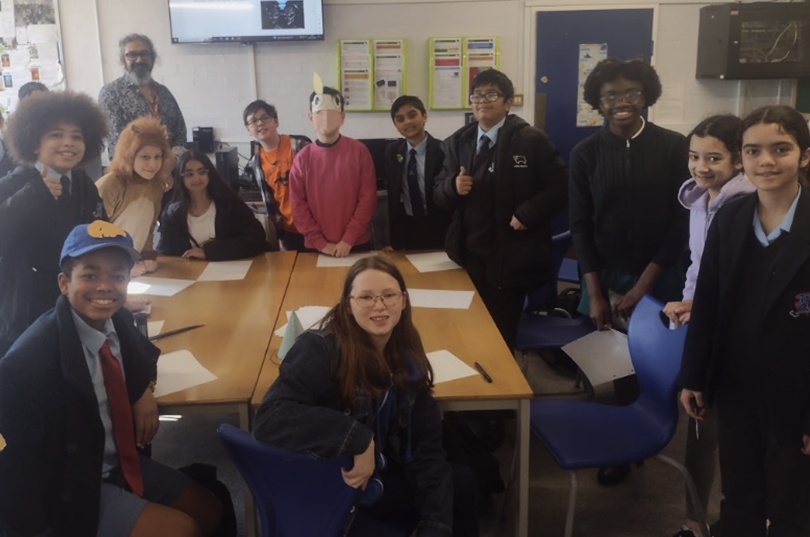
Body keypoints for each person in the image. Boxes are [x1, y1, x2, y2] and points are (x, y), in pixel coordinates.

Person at [0, 221, 222, 537]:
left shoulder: (117, 319)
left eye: (117, 276)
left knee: (209, 509)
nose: (105, 286)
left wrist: (143, 390)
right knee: (181, 529)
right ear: (64, 283)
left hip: (119, 462)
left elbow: (144, 353)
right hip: (71, 484)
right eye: (90, 276)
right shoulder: (29, 365)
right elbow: (13, 469)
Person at [253, 255, 478, 537]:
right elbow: (269, 417)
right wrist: (358, 438)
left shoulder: (406, 353)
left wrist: (435, 525)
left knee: (461, 484)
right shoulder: (321, 349)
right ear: (348, 305)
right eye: (366, 297)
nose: (379, 305)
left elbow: (426, 449)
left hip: (379, 477)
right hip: (335, 488)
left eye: (389, 295)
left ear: (403, 300)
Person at [679, 105, 810, 537]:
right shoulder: (731, 218)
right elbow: (707, 304)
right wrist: (694, 375)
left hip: (796, 395)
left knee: (793, 505)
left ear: (805, 156)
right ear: (742, 158)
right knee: (740, 496)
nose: (766, 161)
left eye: (781, 149)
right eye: (753, 151)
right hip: (737, 386)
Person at [569, 57, 689, 485]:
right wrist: (595, 293)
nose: (622, 102)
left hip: (661, 272)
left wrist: (643, 286)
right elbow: (580, 226)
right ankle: (624, 446)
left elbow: (682, 221)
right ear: (598, 103)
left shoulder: (675, 147)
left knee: (657, 361)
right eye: (611, 96)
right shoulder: (585, 153)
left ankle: (654, 427)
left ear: (646, 96)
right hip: (605, 275)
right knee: (617, 364)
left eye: (631, 93)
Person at [661, 115, 754, 537]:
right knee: (700, 423)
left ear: (737, 159)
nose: (701, 167)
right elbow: (700, 266)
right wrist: (689, 303)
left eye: (713, 158)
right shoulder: (701, 199)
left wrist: (701, 306)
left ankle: (744, 518)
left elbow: (745, 281)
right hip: (705, 324)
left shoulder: (746, 205)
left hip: (736, 337)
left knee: (733, 436)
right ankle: (694, 522)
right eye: (694, 156)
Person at [434, 68, 567, 350]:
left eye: (492, 95)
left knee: (499, 338)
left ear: (508, 103)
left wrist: (528, 213)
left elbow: (561, 188)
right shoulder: (458, 142)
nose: (482, 101)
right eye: (477, 95)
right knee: (468, 332)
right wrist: (452, 187)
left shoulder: (532, 140)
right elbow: (439, 196)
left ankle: (501, 377)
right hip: (469, 256)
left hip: (510, 258)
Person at [0, 91, 108, 356]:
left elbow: (99, 233)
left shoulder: (82, 183)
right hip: (27, 315)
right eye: (56, 135)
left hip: (77, 306)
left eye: (76, 136)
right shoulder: (12, 185)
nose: (68, 143)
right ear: (34, 143)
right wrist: (32, 196)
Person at [289, 80, 377, 257]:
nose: (326, 118)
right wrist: (320, 243)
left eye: (332, 113)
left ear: (342, 117)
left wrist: (348, 239)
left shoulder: (359, 151)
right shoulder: (302, 158)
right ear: (311, 117)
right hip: (316, 247)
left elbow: (367, 198)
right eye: (320, 113)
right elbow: (298, 205)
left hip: (356, 243)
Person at [158, 150, 269, 260]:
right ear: (181, 178)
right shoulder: (172, 214)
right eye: (189, 174)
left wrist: (209, 252)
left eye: (202, 172)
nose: (196, 178)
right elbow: (165, 251)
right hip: (193, 269)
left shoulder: (230, 204)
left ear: (209, 174)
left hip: (234, 267)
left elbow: (256, 238)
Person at [97, 116, 173, 277]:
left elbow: (150, 227)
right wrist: (117, 268)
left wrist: (147, 257)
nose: (153, 164)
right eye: (145, 157)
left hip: (134, 267)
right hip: (105, 270)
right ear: (129, 156)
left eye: (158, 157)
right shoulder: (111, 184)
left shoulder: (155, 186)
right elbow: (94, 235)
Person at [99, 34, 187, 161]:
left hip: (169, 168)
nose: (139, 60)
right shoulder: (111, 92)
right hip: (131, 169)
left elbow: (180, 132)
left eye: (144, 54)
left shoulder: (164, 92)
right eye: (132, 55)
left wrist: (171, 161)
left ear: (153, 58)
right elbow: (116, 142)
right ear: (123, 60)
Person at [243, 99, 311, 251]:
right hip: (288, 230)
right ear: (248, 130)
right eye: (253, 121)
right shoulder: (255, 164)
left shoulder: (300, 146)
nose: (260, 123)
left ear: (276, 121)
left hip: (314, 226)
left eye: (265, 118)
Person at [384, 95, 450, 250]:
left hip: (438, 225)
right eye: (400, 119)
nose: (407, 122)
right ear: (396, 125)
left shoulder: (443, 150)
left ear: (424, 116)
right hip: (406, 226)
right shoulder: (392, 151)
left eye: (412, 115)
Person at [0, 81, 49, 178]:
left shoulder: (59, 133)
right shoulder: (8, 140)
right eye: (35, 104)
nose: (41, 108)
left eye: (46, 102)